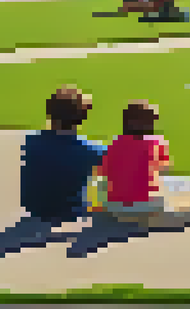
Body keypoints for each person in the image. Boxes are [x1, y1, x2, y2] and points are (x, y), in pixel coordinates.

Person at [6, 87, 107, 254]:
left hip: (35, 208)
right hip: (69, 212)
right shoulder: (89, 150)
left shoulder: (31, 142)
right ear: (82, 118)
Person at [99, 101, 173, 227]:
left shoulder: (113, 144)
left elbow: (105, 173)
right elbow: (165, 169)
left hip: (114, 207)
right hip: (145, 207)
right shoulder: (155, 143)